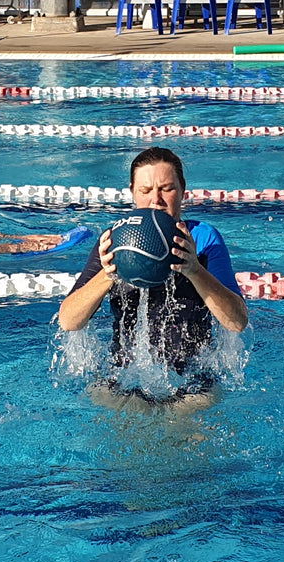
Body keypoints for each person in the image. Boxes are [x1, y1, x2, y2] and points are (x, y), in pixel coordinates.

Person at [58, 147, 248, 406]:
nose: (155, 200)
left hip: (193, 381)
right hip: (122, 378)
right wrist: (108, 273)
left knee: (186, 423)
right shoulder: (114, 242)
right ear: (133, 193)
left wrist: (194, 270)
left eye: (166, 189)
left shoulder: (204, 240)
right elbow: (68, 321)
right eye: (145, 191)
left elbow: (237, 322)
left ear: (182, 190)